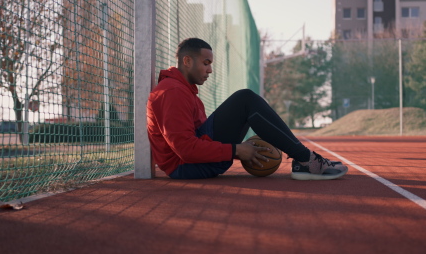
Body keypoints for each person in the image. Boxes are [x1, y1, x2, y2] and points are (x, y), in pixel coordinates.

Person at [146, 37, 348, 180]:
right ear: (187, 61)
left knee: (245, 100)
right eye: (205, 63)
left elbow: (197, 140)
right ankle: (306, 160)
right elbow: (185, 150)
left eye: (211, 64)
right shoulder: (171, 92)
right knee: (245, 99)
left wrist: (236, 150)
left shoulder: (184, 91)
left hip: (190, 164)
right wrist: (236, 149)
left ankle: (302, 160)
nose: (210, 69)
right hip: (185, 167)